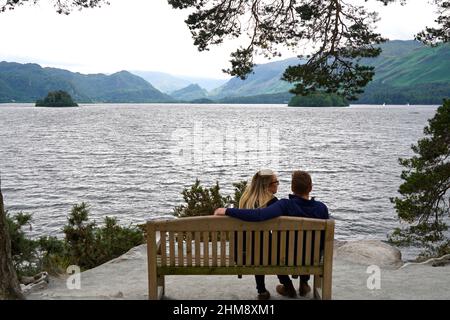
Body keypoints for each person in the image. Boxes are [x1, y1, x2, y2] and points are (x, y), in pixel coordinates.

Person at [215, 170, 329, 298]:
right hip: (312, 260)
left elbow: (260, 215)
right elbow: (324, 241)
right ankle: (304, 282)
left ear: (292, 188)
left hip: (285, 259)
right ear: (311, 188)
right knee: (306, 245)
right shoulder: (322, 208)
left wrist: (227, 210)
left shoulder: (284, 205)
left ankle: (266, 289)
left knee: (266, 245)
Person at [238, 169, 279, 300]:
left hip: (243, 253)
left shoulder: (244, 200)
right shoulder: (273, 202)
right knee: (268, 246)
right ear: (267, 185)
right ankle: (287, 284)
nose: (278, 184)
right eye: (276, 182)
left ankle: (261, 290)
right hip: (268, 253)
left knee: (259, 246)